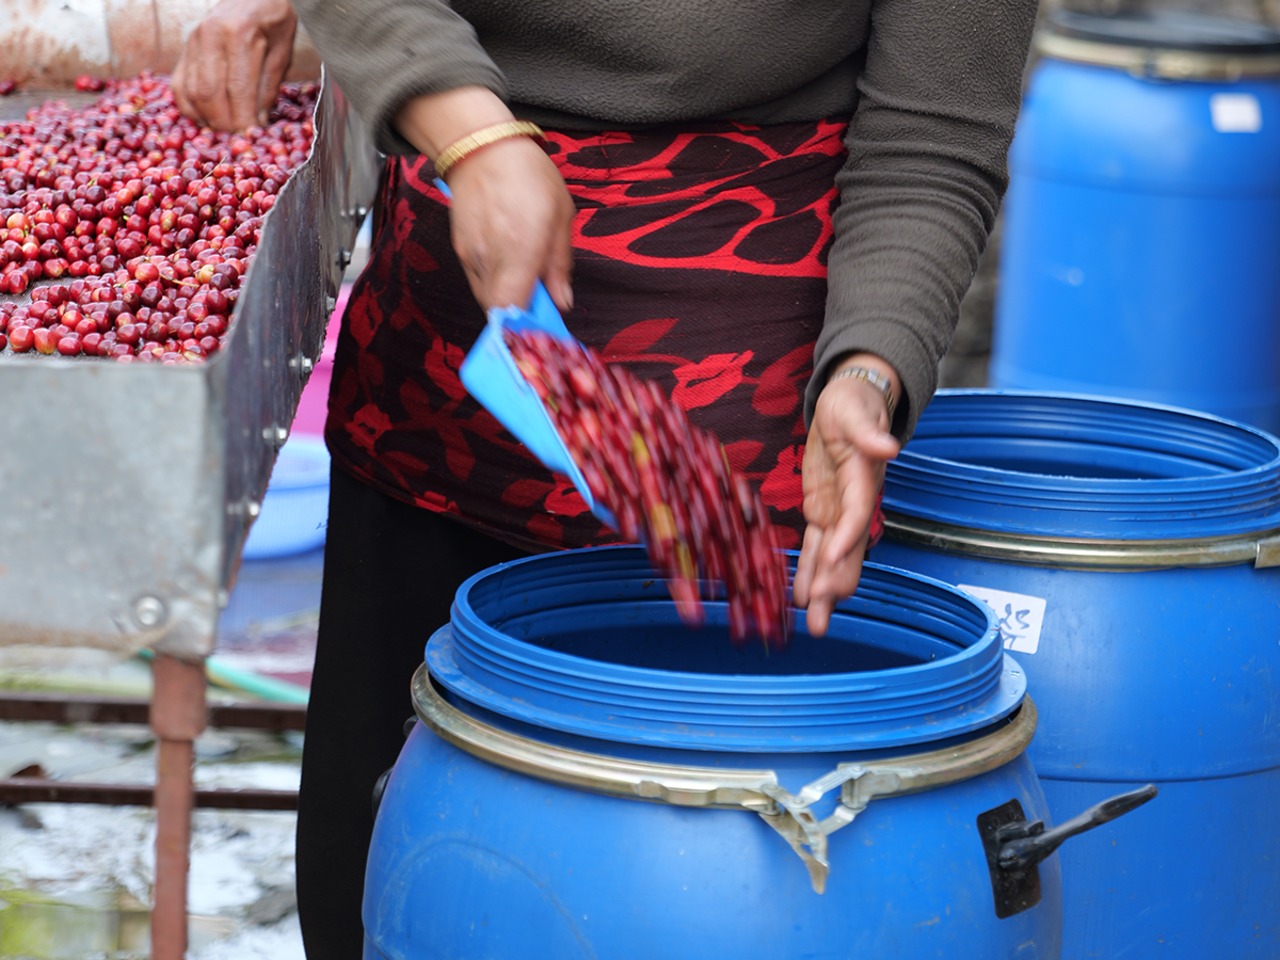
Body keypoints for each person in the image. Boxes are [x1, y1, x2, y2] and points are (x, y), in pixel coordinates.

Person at [175, 0, 1038, 955]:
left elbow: (933, 133)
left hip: (748, 437)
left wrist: (869, 370)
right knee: (384, 878)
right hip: (444, 394)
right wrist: (473, 136)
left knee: (723, 895)